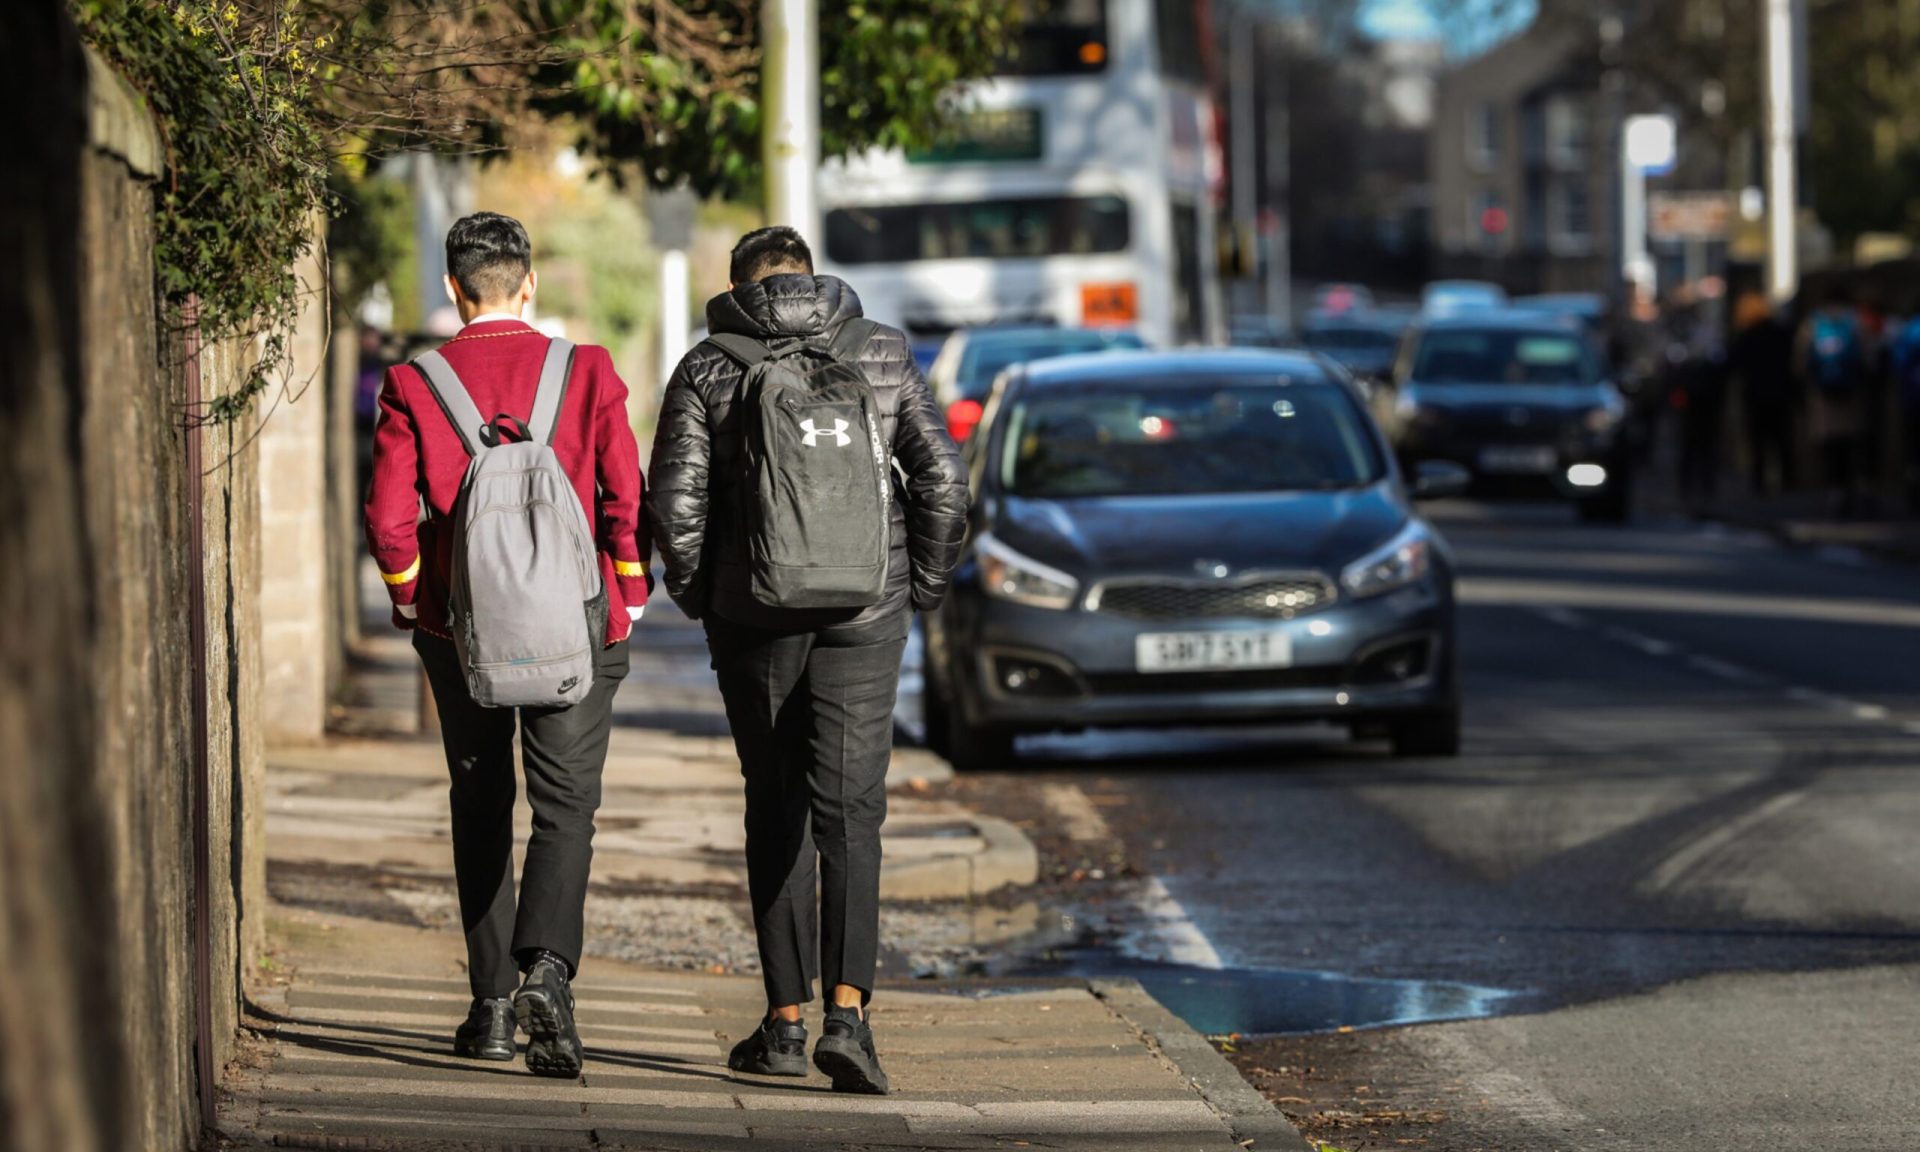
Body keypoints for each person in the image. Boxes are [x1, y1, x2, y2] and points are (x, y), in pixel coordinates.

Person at [646, 227, 968, 1095]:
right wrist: (919, 586)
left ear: (738, 289)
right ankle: (849, 1019)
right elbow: (941, 478)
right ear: (812, 280)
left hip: (754, 618)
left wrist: (705, 598)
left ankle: (785, 1024)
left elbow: (674, 504)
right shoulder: (881, 351)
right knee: (852, 811)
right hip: (868, 608)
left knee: (776, 803)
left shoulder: (707, 366)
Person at [364, 212, 652, 1076]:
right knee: (566, 805)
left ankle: (490, 1009)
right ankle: (549, 972)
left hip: (463, 630)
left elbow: (389, 521)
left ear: (453, 290)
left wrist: (415, 602)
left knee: (481, 801)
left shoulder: (414, 383)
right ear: (529, 284)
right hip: (579, 624)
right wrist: (630, 591)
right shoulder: (587, 370)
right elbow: (624, 495)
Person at [1796, 288, 1871, 517]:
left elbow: (1800, 360)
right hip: (1851, 394)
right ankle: (1854, 489)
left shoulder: (1813, 324)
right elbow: (1868, 357)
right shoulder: (1855, 322)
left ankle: (1835, 492)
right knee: (1852, 445)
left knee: (1830, 447)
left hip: (1823, 397)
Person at [1726, 290, 1797, 498]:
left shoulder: (1746, 336)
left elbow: (1733, 365)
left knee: (1759, 441)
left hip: (1755, 394)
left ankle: (1760, 484)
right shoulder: (1781, 333)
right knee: (1782, 439)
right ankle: (1787, 482)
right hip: (1781, 393)